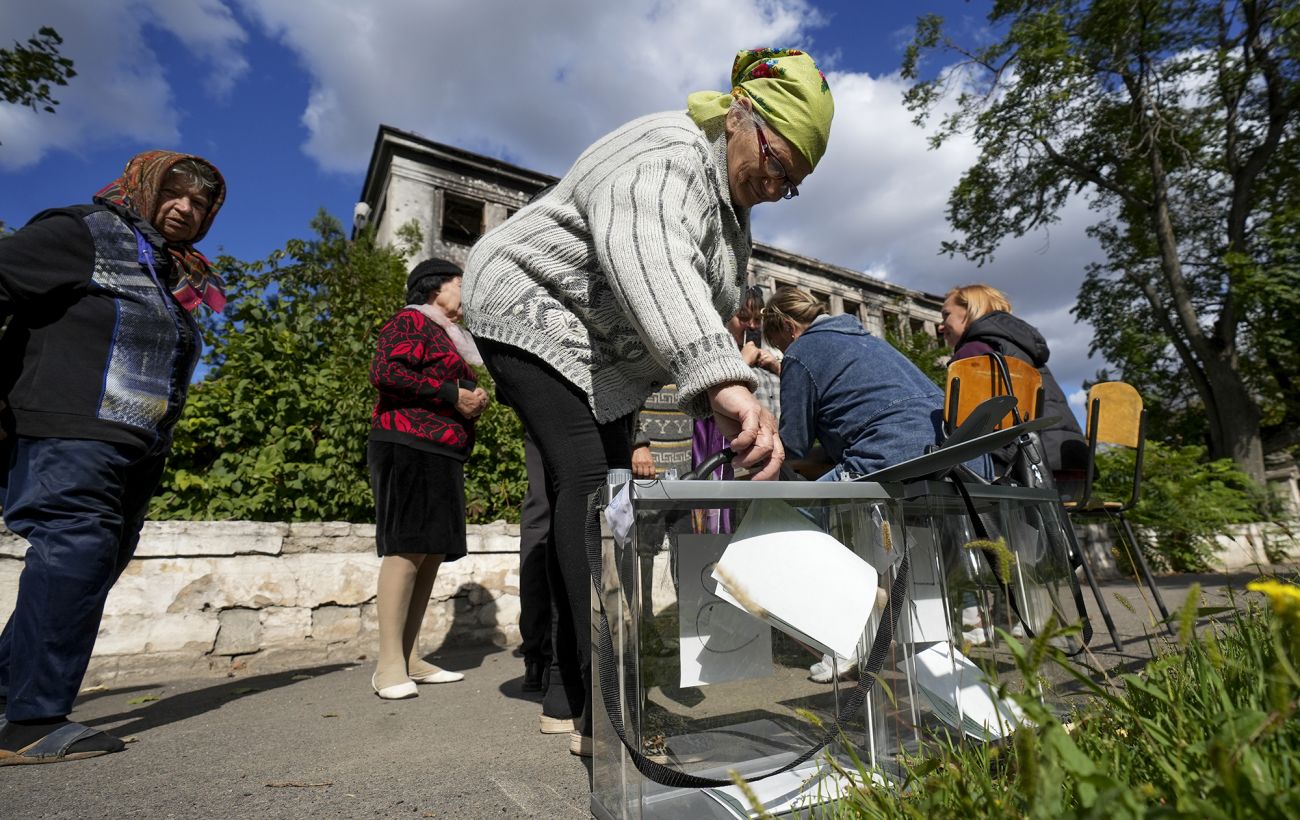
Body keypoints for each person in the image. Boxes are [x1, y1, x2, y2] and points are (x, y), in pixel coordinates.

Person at [463, 47, 833, 756]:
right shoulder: (668, 151)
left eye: (794, 183)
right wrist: (727, 381)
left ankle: (567, 694)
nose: (778, 185)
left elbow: (687, 309)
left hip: (594, 356)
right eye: (780, 164)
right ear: (741, 116)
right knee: (584, 487)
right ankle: (608, 708)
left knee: (609, 497)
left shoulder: (730, 217)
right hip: (526, 306)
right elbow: (650, 253)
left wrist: (718, 401)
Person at [0, 150, 225, 764]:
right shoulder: (81, 230)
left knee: (91, 564)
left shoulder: (170, 269)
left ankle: (7, 698)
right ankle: (33, 722)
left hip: (135, 443)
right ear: (142, 185)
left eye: (201, 202)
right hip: (69, 425)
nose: (186, 207)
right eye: (174, 192)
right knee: (75, 548)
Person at [763, 286, 991, 681]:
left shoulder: (801, 352)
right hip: (948, 451)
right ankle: (926, 630)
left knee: (787, 515)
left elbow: (794, 443)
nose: (783, 352)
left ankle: (848, 636)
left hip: (889, 449)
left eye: (779, 343)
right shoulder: (868, 341)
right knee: (910, 535)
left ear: (787, 326)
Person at [367, 258, 489, 699]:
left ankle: (409, 656)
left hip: (441, 448)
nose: (465, 290)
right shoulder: (410, 321)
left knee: (431, 552)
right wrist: (450, 393)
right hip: (406, 442)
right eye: (460, 282)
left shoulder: (449, 336)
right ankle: (387, 665)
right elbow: (385, 372)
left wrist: (472, 398)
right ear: (434, 287)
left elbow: (444, 386)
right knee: (406, 546)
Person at [937, 284, 1087, 482]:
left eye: (946, 315)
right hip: (1066, 460)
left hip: (1028, 470)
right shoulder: (1020, 347)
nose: (940, 326)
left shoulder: (973, 353)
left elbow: (962, 428)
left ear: (970, 309)